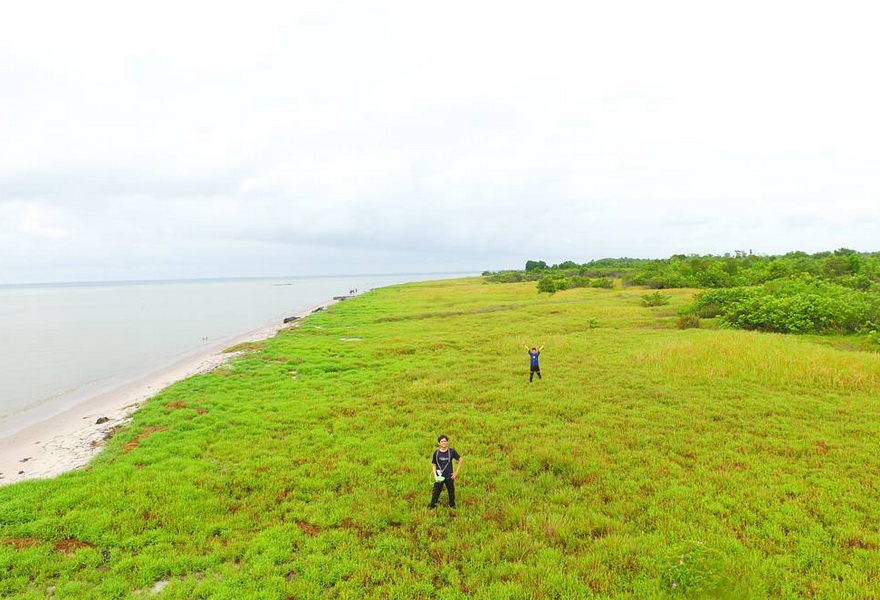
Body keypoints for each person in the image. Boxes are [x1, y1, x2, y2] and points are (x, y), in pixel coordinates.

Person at [429, 435, 462, 509]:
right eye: (442, 441)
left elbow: (460, 459)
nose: (444, 442)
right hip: (439, 476)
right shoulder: (436, 453)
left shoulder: (451, 451)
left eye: (445, 441)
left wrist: (456, 472)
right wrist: (435, 475)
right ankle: (432, 506)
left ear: (447, 442)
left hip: (449, 476)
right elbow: (434, 464)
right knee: (436, 492)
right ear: (439, 443)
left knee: (451, 491)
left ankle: (452, 506)